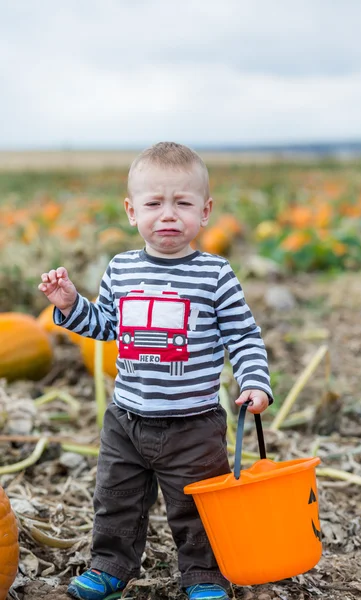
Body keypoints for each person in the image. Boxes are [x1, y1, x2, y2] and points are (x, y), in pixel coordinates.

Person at [38, 142, 273, 600]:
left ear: (205, 212)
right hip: (126, 418)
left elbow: (243, 336)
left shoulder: (215, 274)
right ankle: (109, 566)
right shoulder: (120, 269)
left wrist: (254, 381)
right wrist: (69, 305)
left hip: (193, 423)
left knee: (196, 505)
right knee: (116, 498)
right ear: (131, 211)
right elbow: (106, 325)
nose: (168, 215)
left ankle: (204, 575)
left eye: (182, 203)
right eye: (154, 203)